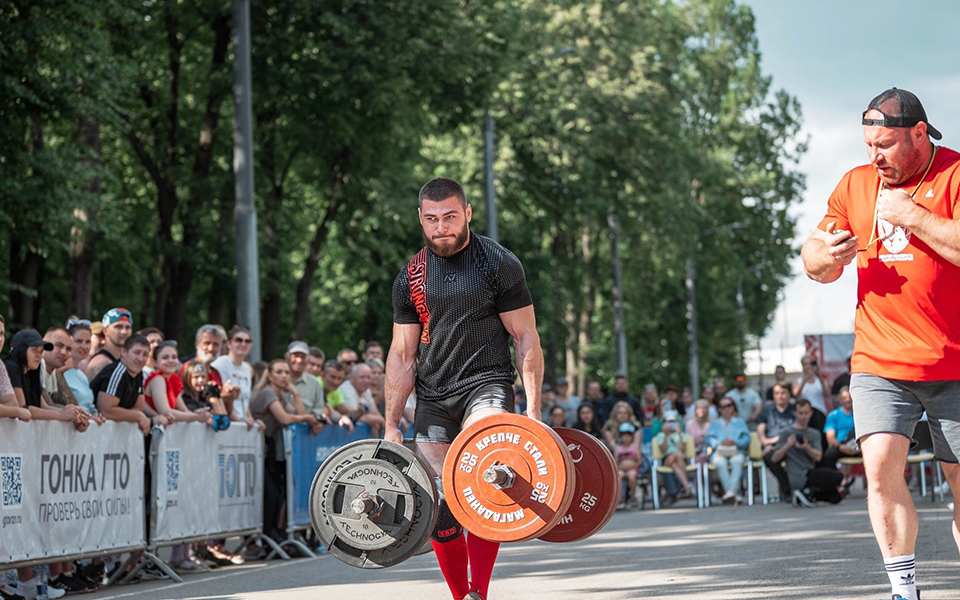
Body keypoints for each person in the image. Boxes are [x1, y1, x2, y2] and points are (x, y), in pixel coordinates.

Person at [800, 87, 960, 600]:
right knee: (880, 473)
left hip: (952, 362)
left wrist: (913, 216)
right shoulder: (856, 184)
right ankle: (903, 591)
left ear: (919, 134)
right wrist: (831, 256)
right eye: (869, 145)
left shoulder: (954, 174)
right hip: (879, 359)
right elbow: (813, 260)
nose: (876, 157)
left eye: (886, 145)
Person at [384, 177, 544, 600]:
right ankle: (461, 597)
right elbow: (401, 355)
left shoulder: (498, 264)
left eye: (451, 217)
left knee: (483, 483)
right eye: (433, 219)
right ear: (420, 218)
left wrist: (533, 410)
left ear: (468, 213)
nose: (442, 227)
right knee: (441, 506)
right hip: (434, 396)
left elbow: (525, 337)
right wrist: (390, 425)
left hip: (486, 385)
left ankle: (481, 592)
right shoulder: (411, 277)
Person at [250, 359, 322, 543]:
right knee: (271, 494)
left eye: (286, 372)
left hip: (269, 447)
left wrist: (296, 395)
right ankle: (266, 537)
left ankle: (275, 534)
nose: (284, 376)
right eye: (279, 372)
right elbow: (285, 418)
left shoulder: (280, 395)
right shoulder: (267, 393)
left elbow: (297, 414)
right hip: (257, 446)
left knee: (278, 493)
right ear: (270, 375)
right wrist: (307, 417)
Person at [768, 398, 843, 507]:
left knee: (835, 497)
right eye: (800, 413)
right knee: (836, 476)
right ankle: (804, 493)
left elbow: (818, 457)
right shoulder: (786, 432)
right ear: (795, 413)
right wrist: (787, 445)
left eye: (806, 413)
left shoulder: (814, 434)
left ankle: (806, 493)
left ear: (811, 413)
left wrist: (806, 447)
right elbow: (774, 458)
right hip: (797, 475)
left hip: (809, 472)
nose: (803, 417)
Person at [143, 341, 210, 424]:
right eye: (165, 357)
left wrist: (197, 413)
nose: (171, 360)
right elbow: (166, 412)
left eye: (174, 357)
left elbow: (184, 410)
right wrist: (195, 417)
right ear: (155, 362)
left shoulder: (172, 380)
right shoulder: (157, 379)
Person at [704, 398, 750, 503]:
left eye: (728, 405)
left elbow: (747, 440)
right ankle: (733, 493)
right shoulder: (715, 423)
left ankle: (730, 492)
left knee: (737, 461)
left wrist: (735, 442)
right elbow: (708, 439)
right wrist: (721, 442)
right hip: (719, 452)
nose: (726, 409)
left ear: (733, 407)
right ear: (719, 409)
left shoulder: (740, 422)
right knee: (720, 462)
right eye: (722, 406)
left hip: (736, 451)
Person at [211, 326, 256, 425]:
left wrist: (250, 418)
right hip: (227, 421)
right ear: (228, 344)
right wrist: (240, 422)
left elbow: (245, 399)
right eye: (238, 340)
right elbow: (219, 397)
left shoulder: (247, 368)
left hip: (242, 423)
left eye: (247, 341)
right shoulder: (220, 364)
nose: (243, 344)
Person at [333, 362, 385, 436]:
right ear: (352, 378)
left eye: (368, 377)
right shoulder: (346, 389)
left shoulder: (366, 390)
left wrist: (375, 421)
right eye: (362, 377)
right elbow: (355, 416)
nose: (366, 381)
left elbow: (375, 412)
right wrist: (380, 421)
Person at [285, 340, 327, 431]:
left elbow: (318, 411)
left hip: (302, 436)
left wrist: (317, 422)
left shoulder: (314, 383)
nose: (299, 360)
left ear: (307, 360)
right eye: (295, 356)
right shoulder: (278, 378)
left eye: (303, 357)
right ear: (286, 357)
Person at [820, 386, 860, 481]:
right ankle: (836, 483)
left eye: (850, 397)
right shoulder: (833, 415)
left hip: (859, 446)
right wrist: (841, 447)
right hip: (841, 446)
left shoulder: (860, 414)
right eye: (844, 398)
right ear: (840, 400)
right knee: (828, 455)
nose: (848, 400)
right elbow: (830, 437)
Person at [84, 307, 134, 381]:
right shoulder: (100, 363)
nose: (124, 332)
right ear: (105, 331)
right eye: (118, 327)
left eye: (127, 327)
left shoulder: (128, 361)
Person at [654, 411, 694, 501]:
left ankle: (686, 487)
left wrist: (679, 434)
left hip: (679, 460)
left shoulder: (681, 435)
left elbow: (682, 449)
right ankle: (687, 486)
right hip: (667, 458)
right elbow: (663, 449)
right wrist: (666, 434)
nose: (671, 425)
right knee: (677, 455)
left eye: (673, 422)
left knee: (675, 465)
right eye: (669, 422)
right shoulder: (661, 435)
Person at [64, 319, 98, 416]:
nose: (84, 346)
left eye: (88, 342)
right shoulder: (59, 373)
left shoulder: (82, 375)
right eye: (79, 341)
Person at [792, 355, 831, 428]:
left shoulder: (820, 381)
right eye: (805, 364)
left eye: (810, 363)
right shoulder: (798, 381)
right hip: (804, 416)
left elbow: (827, 394)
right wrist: (805, 379)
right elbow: (795, 393)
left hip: (820, 414)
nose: (808, 366)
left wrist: (820, 377)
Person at [757, 383, 796, 456]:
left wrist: (778, 439)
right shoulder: (766, 410)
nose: (780, 396)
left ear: (789, 394)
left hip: (790, 445)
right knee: (768, 455)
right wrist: (766, 443)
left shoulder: (795, 410)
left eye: (783, 393)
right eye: (777, 393)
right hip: (771, 445)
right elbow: (760, 429)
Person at [318, 360, 355, 432]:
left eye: (339, 378)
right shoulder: (316, 384)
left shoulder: (335, 390)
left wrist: (361, 411)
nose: (336, 382)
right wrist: (341, 417)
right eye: (332, 377)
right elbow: (325, 410)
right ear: (322, 374)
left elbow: (345, 411)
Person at [615, 422, 642, 510]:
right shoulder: (618, 448)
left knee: (632, 476)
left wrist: (631, 466)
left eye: (628, 435)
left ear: (632, 437)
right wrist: (620, 467)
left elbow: (639, 461)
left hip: (632, 468)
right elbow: (615, 462)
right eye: (623, 435)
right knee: (618, 476)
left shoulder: (634, 447)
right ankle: (619, 498)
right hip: (621, 469)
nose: (626, 438)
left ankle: (633, 497)